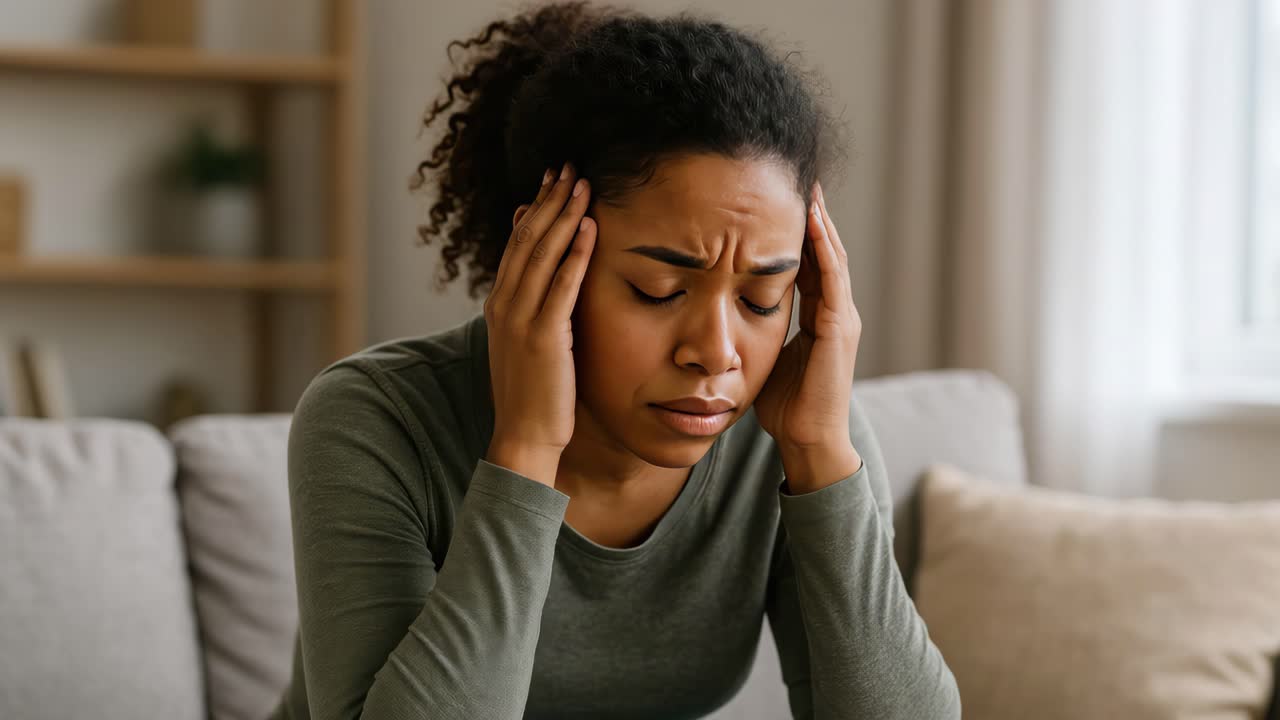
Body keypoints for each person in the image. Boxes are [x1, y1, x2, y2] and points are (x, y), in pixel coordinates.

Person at [271, 2, 960, 718]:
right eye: (658, 290)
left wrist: (820, 456)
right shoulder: (376, 420)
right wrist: (526, 451)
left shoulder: (797, 438)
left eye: (761, 299)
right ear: (541, 256)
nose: (717, 354)